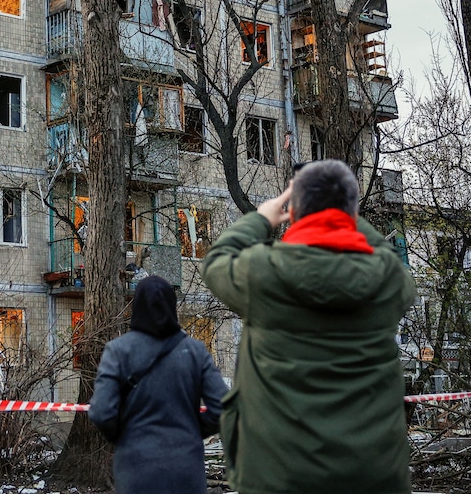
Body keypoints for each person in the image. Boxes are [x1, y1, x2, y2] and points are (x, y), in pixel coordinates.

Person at [202, 160, 416, 494]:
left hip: (277, 478)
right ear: (352, 213)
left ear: (295, 208)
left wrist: (261, 218)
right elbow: (384, 251)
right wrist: (344, 212)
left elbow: (216, 260)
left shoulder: (263, 273)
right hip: (372, 477)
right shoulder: (388, 279)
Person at [88, 275, 228, 494]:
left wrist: (124, 437)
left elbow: (101, 412)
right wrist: (193, 430)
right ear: (172, 306)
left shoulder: (118, 351)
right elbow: (223, 406)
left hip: (136, 469)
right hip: (186, 468)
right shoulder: (195, 351)